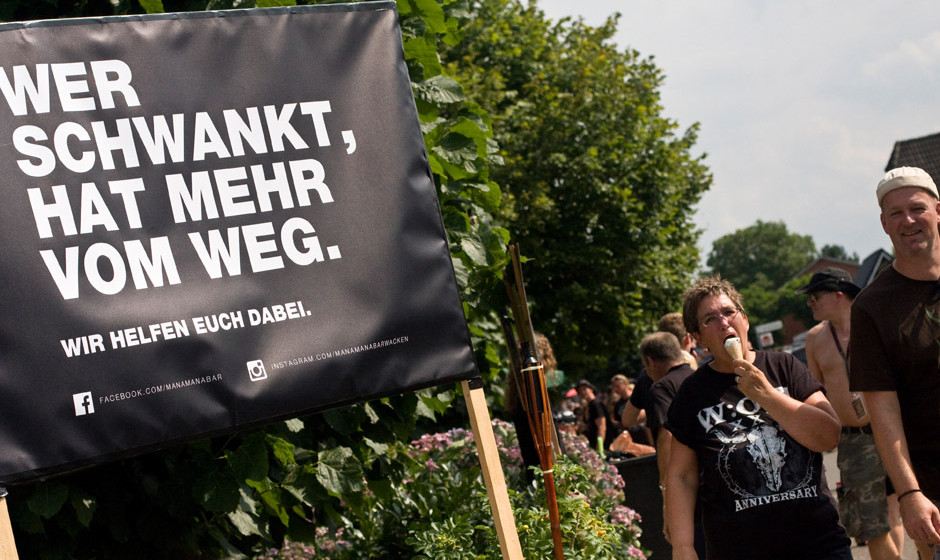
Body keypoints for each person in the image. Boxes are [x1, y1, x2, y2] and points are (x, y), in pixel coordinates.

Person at [665, 276, 851, 560]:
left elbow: (828, 435)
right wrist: (683, 547)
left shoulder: (784, 366)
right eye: (710, 319)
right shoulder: (692, 392)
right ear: (699, 339)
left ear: (745, 320)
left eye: (729, 312)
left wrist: (767, 395)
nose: (724, 322)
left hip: (817, 542)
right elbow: (681, 476)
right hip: (739, 550)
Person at [849, 166, 940, 559]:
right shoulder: (873, 306)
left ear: (938, 210)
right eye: (896, 213)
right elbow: (883, 410)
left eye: (917, 208)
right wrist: (910, 492)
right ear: (884, 224)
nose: (908, 220)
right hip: (935, 486)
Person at [800, 267, 903, 559]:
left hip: (895, 430)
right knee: (872, 527)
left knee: (907, 512)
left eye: (815, 296)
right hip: (855, 442)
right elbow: (815, 392)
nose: (810, 303)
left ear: (838, 294)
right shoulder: (815, 339)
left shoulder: (876, 321)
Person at [641, 331, 706, 557]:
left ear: (650, 361)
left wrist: (666, 493)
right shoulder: (700, 377)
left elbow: (667, 438)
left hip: (690, 487)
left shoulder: (661, 388)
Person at [576, 379, 607, 457]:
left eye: (584, 389)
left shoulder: (596, 404)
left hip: (604, 446)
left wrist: (599, 449)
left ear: (591, 389)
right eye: (579, 391)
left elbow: (602, 427)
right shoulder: (588, 406)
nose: (582, 392)